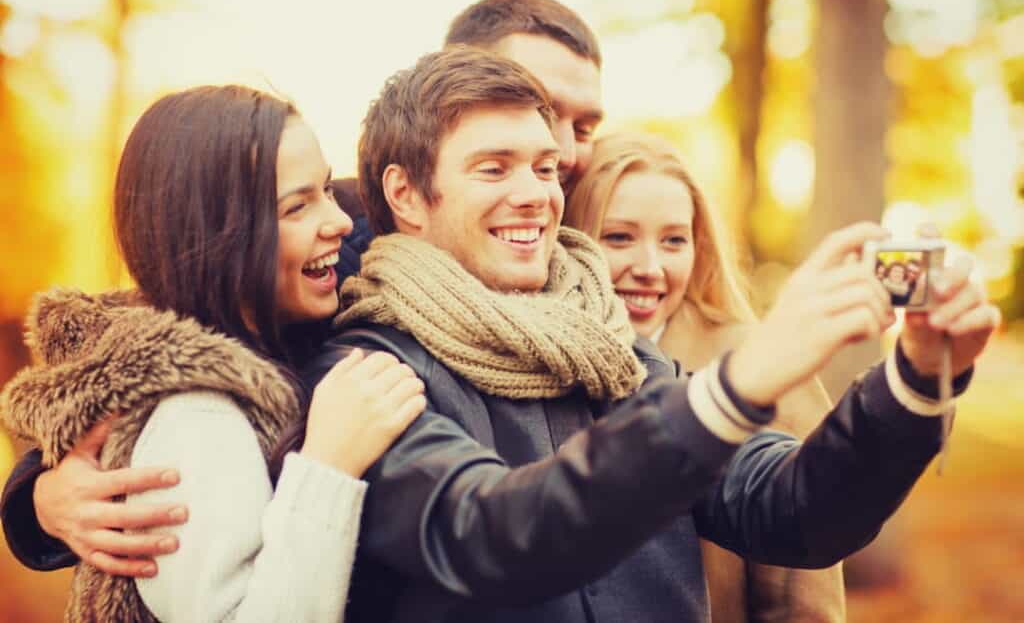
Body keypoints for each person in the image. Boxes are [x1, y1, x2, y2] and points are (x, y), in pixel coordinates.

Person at [303, 46, 998, 622]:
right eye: (494, 167)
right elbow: (499, 535)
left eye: (545, 167)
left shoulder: (611, 347)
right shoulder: (367, 368)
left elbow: (798, 511)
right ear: (404, 195)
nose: (537, 193)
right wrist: (740, 381)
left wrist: (913, 377)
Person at [0, 0, 607, 582]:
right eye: (541, 107)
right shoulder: (347, 225)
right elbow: (162, 334)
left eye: (583, 125)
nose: (562, 145)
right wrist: (38, 499)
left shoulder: (612, 224)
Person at [0, 85, 426, 621]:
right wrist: (328, 464)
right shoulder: (196, 413)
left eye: (325, 188)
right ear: (222, 236)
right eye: (297, 204)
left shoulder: (272, 329)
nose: (340, 219)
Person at [563, 131, 844, 621]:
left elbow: (801, 594)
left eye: (674, 240)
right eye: (619, 237)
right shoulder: (537, 363)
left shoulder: (761, 365)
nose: (650, 267)